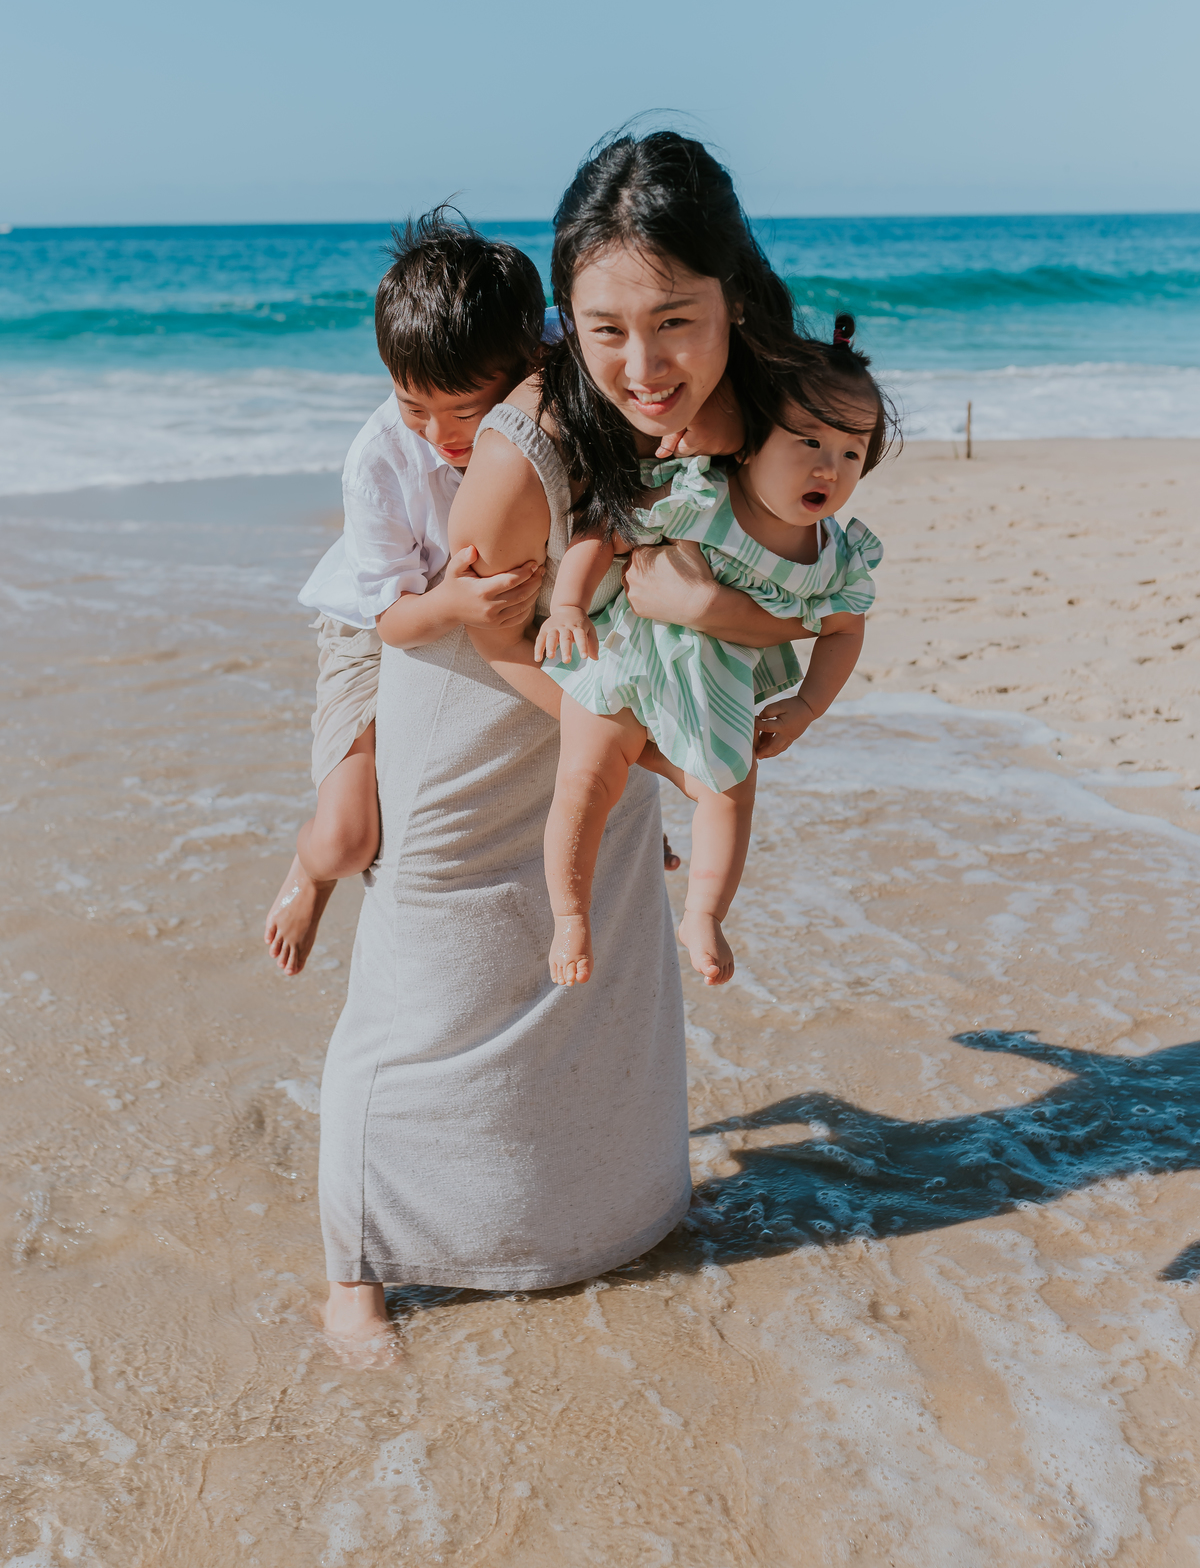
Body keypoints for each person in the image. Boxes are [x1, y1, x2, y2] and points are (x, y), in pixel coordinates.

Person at [315, 131, 833, 1347]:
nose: (643, 365)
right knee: (426, 988)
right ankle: (355, 1268)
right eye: (605, 329)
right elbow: (476, 633)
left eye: (675, 323)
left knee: (600, 967)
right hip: (481, 708)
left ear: (734, 301)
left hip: (610, 694)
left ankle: (607, 1215)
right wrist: (638, 735)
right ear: (566, 322)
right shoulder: (520, 449)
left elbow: (801, 547)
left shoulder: (755, 406)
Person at [535, 315, 888, 990]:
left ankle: (703, 912)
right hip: (627, 651)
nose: (828, 466)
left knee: (731, 794)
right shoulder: (704, 494)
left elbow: (846, 630)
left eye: (850, 451)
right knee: (586, 780)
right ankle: (570, 914)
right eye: (808, 440)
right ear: (752, 440)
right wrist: (570, 605)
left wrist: (808, 705)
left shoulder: (834, 555)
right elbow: (605, 531)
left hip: (714, 689)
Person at [263, 210, 550, 976]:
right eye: (413, 404)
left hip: (469, 595)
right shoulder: (380, 459)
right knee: (350, 838)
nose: (440, 433)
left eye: (464, 409)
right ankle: (309, 872)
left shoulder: (551, 357)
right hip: (376, 616)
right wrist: (451, 606)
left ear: (525, 361)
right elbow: (392, 620)